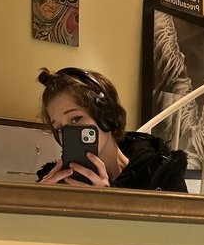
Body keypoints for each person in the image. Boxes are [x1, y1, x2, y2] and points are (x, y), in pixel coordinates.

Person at [36, 67, 188, 192]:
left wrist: (108, 201)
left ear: (106, 115)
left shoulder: (163, 172)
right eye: (59, 128)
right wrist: (38, 204)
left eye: (76, 119)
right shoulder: (58, 184)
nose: (67, 134)